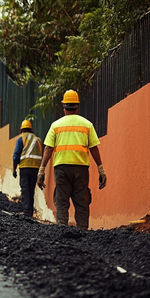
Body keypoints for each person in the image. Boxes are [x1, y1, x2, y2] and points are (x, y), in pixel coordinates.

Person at [37, 90, 107, 229]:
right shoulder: (87, 125)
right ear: (77, 106)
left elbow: (48, 149)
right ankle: (83, 233)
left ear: (63, 106)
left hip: (61, 170)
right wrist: (101, 170)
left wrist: (41, 171)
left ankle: (62, 231)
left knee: (61, 202)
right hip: (81, 170)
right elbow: (94, 148)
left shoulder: (55, 126)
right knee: (82, 202)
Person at [12, 120, 43, 217]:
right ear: (31, 129)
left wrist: (14, 169)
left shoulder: (21, 139)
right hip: (35, 168)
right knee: (31, 190)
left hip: (24, 168)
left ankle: (27, 213)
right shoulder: (38, 140)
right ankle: (30, 212)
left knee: (25, 189)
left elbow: (16, 155)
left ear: (21, 130)